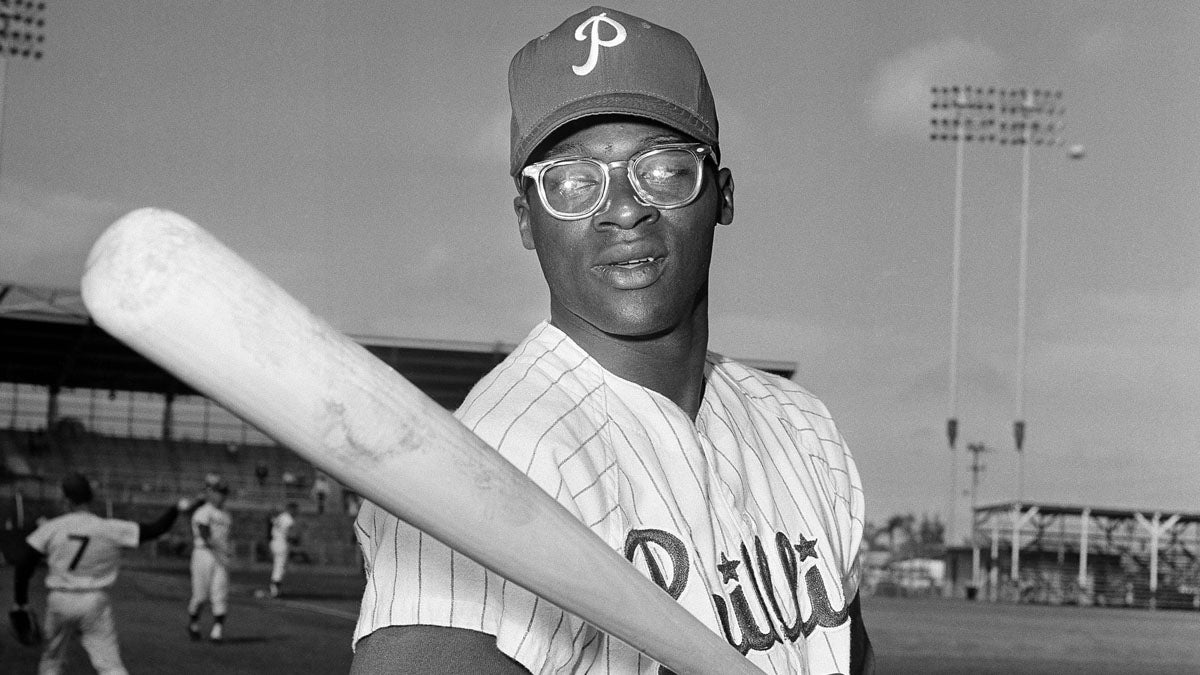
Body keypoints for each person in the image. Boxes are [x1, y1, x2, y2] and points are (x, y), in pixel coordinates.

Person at [351, 6, 872, 674]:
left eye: (662, 170)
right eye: (574, 183)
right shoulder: (500, 455)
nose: (624, 208)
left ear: (721, 193)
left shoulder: (802, 428)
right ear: (526, 220)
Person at [11, 473, 191, 674]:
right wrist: (176, 509)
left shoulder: (52, 527)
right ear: (91, 498)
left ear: (66, 500)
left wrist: (20, 602)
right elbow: (156, 529)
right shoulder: (109, 528)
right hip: (93, 602)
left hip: (59, 601)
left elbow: (24, 565)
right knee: (110, 665)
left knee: (51, 661)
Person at [187, 479, 233, 642]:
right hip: (203, 554)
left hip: (220, 557)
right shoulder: (203, 512)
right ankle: (193, 622)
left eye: (224, 493)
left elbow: (226, 537)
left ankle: (217, 630)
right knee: (200, 596)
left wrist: (225, 549)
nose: (221, 496)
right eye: (218, 492)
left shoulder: (226, 514)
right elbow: (204, 534)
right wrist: (222, 547)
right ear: (211, 493)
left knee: (219, 593)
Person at [267, 501, 299, 598]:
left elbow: (272, 520)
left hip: (274, 541)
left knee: (279, 566)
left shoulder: (281, 516)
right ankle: (274, 590)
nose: (297, 512)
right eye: (295, 509)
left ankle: (275, 589)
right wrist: (295, 539)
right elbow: (289, 533)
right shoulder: (288, 518)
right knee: (280, 567)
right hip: (281, 543)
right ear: (291, 509)